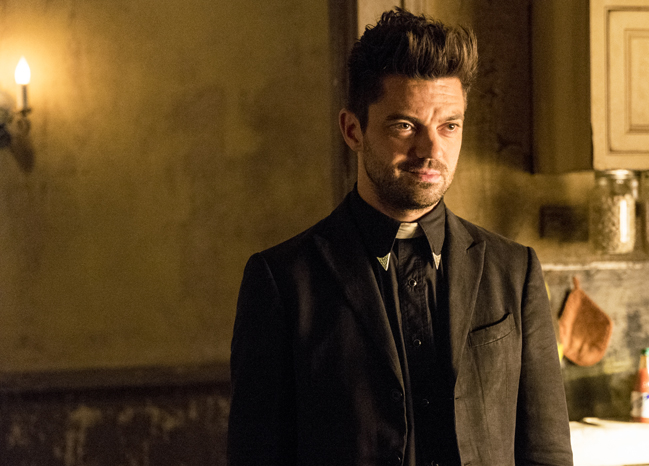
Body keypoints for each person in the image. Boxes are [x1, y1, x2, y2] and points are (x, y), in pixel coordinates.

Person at [228, 8, 573, 466]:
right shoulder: (282, 281)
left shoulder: (514, 270)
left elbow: (547, 452)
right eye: (405, 125)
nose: (431, 150)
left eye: (449, 126)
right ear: (353, 130)